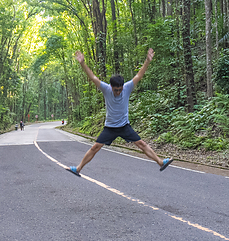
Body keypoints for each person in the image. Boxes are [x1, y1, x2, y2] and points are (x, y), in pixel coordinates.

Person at [67, 48, 172, 176]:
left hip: (124, 126)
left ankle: (161, 162)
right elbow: (92, 77)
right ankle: (78, 169)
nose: (118, 92)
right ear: (111, 87)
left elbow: (139, 75)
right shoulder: (106, 89)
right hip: (110, 127)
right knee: (95, 147)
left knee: (141, 144)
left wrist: (147, 61)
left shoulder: (127, 88)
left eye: (120, 89)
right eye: (116, 90)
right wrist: (82, 63)